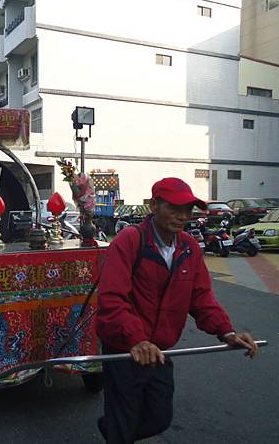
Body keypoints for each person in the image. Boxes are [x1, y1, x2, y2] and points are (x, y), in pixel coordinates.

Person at [95, 177, 259, 444]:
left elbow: (201, 297)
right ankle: (117, 431)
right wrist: (136, 339)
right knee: (123, 419)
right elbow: (112, 299)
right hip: (124, 348)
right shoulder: (129, 241)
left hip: (158, 349)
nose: (183, 216)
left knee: (159, 417)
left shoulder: (189, 248)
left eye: (188, 209)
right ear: (153, 206)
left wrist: (227, 332)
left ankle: (112, 429)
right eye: (174, 208)